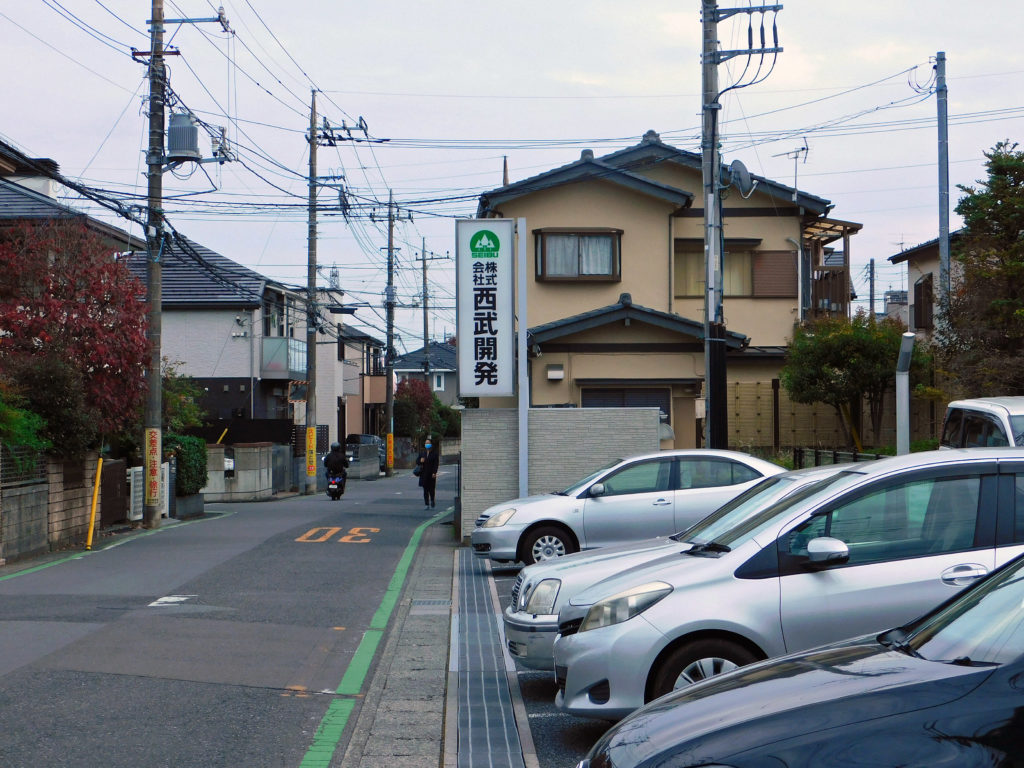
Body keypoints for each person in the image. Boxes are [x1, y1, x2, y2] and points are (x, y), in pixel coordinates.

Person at [416, 437, 440, 509]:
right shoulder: (422, 453)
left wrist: (434, 472)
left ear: (431, 444)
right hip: (423, 474)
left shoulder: (434, 454)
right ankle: (426, 504)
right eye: (426, 443)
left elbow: (436, 464)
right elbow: (417, 461)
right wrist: (420, 461)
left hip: (431, 474)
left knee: (431, 489)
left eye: (428, 443)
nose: (427, 444)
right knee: (425, 490)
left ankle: (432, 500)